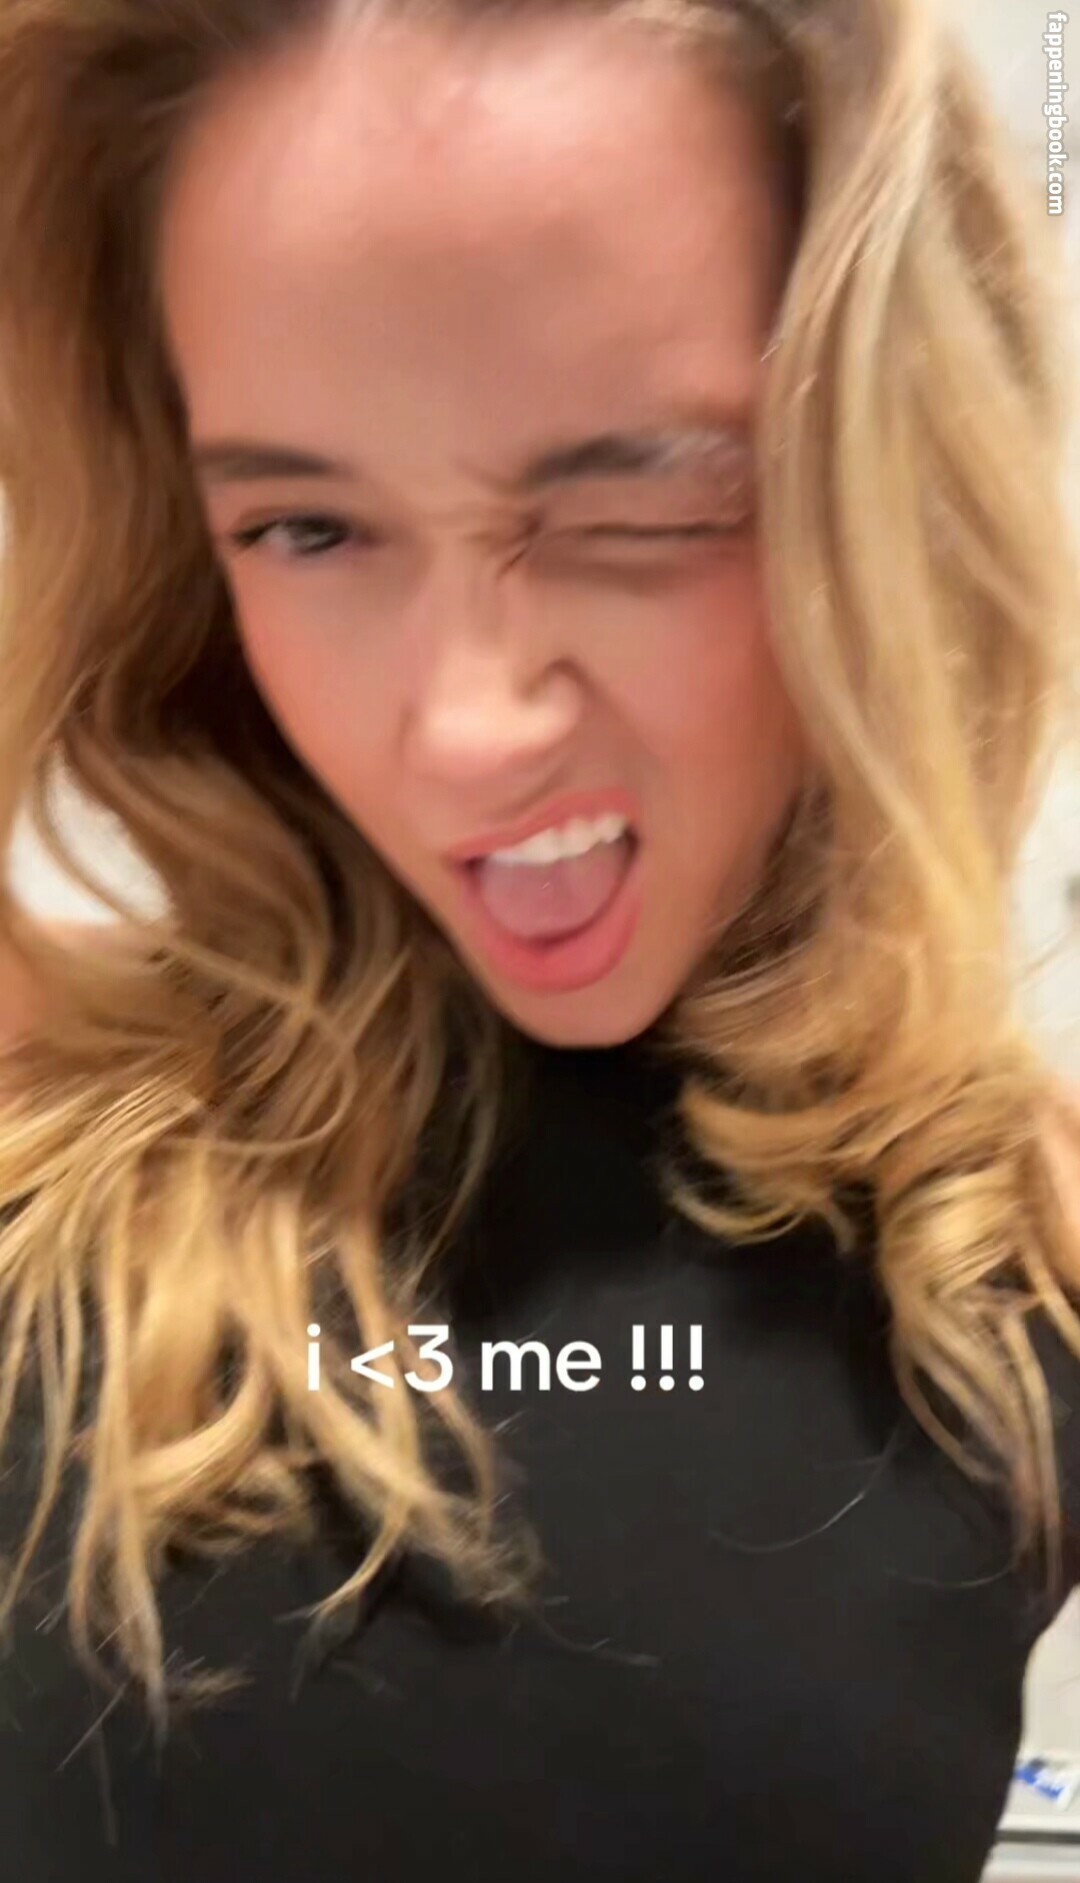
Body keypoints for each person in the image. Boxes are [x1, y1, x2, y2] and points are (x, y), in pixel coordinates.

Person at [0, 0, 1079, 1875]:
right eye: (309, 529)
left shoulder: (1029, 1255)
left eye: (645, 500)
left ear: (888, 476)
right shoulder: (34, 1145)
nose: (464, 728)